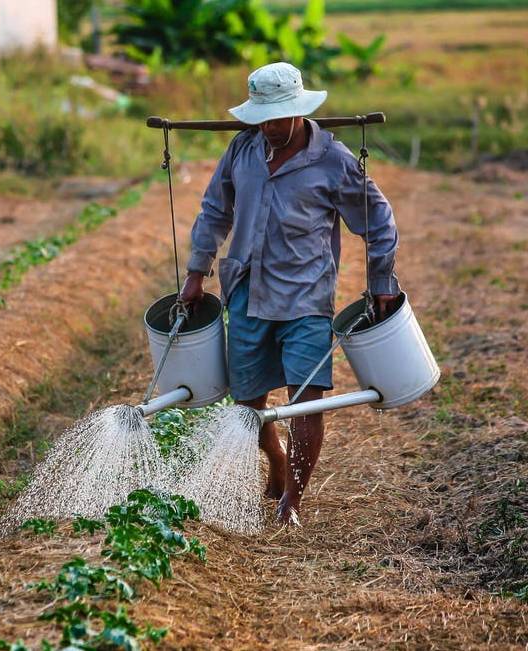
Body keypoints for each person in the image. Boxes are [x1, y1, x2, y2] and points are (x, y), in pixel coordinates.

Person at [179, 61, 399, 526]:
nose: (270, 128)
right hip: (246, 291)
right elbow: (214, 210)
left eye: (278, 118)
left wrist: (381, 281)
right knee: (247, 404)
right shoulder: (242, 150)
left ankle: (290, 504)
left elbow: (378, 220)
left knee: (307, 400)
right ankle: (276, 460)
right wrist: (196, 271)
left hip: (306, 297)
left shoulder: (333, 161)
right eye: (263, 119)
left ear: (300, 112)